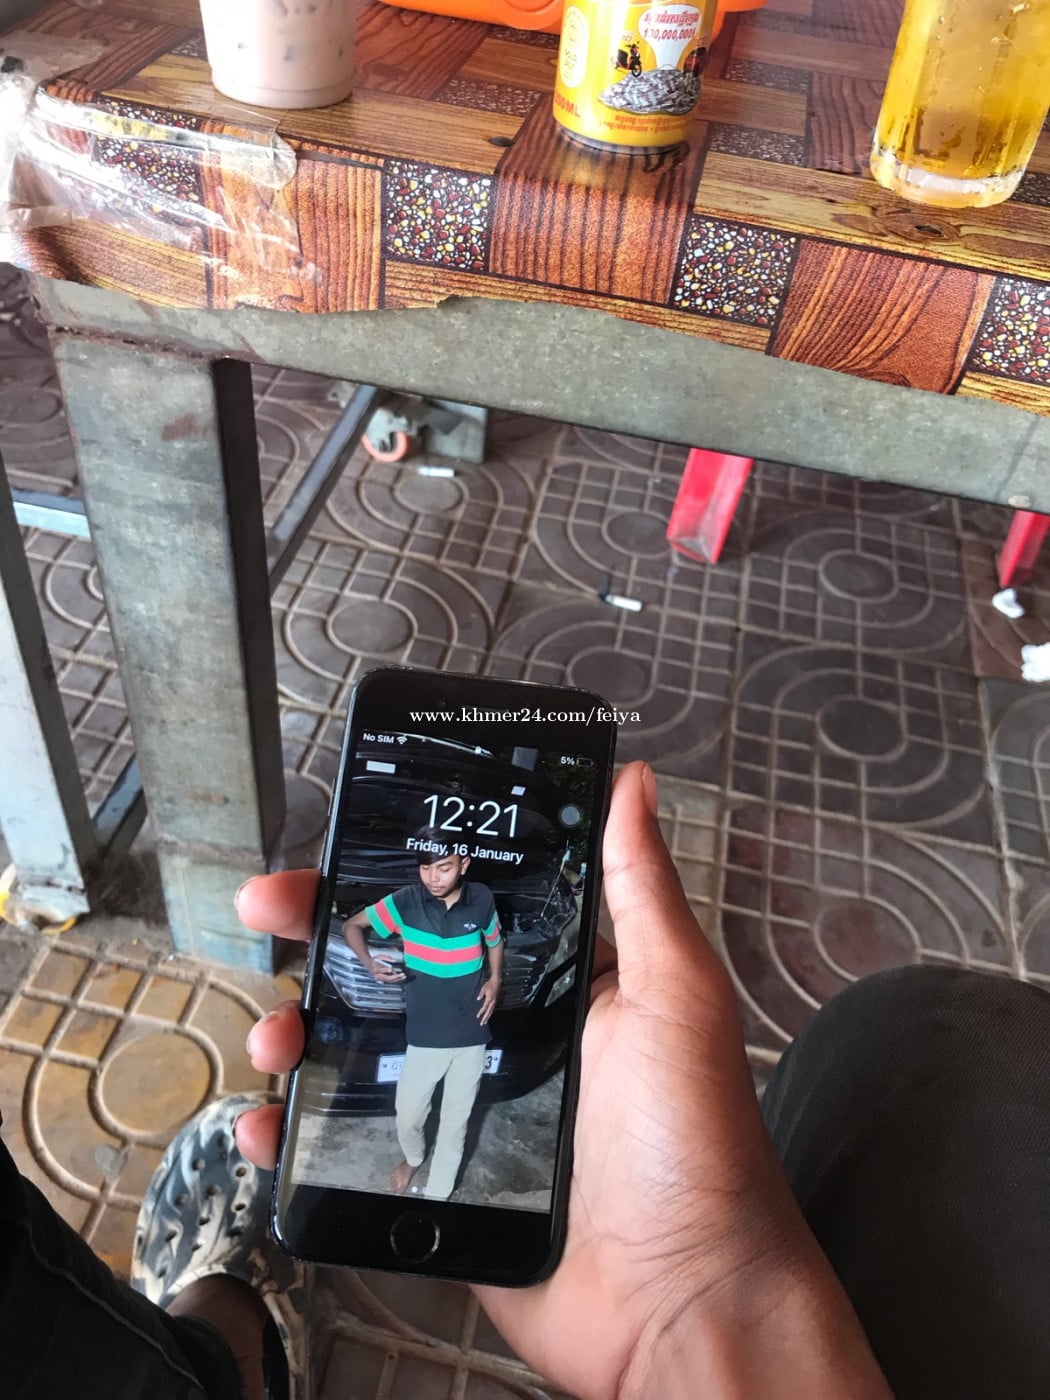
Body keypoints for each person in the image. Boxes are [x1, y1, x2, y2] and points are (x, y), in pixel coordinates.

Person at [2, 761, 1049, 1399]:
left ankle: (225, 1353)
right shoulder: (408, 903)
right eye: (439, 861)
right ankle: (236, 1347)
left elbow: (497, 951)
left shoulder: (477, 909)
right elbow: (361, 928)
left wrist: (695, 1299)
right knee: (910, 1037)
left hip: (466, 1045)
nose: (446, 869)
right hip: (420, 1041)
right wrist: (698, 1307)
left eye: (452, 862)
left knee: (903, 1036)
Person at [341, 833, 503, 1198]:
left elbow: (495, 940)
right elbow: (352, 925)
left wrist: (495, 980)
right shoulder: (406, 902)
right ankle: (413, 1158)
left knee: (455, 1124)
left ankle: (438, 1195)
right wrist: (369, 963)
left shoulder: (482, 899)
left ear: (464, 864)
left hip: (472, 1030)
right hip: (425, 1035)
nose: (433, 878)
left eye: (444, 868)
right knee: (409, 1116)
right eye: (426, 868)